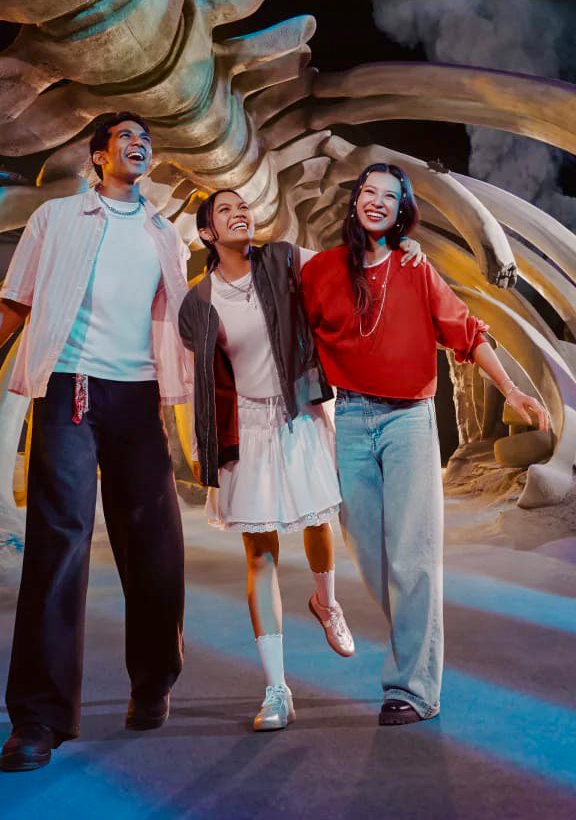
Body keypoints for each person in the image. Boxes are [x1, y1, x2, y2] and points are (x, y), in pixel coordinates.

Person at [0, 112, 192, 772]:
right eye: (126, 138)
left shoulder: (166, 236)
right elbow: (14, 305)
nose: (140, 145)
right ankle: (37, 720)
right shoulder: (56, 220)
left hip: (139, 397)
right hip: (69, 390)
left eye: (146, 140)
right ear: (99, 155)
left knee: (155, 547)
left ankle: (154, 678)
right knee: (58, 543)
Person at [301, 163, 550, 726]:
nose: (376, 202)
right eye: (369, 192)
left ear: (400, 211)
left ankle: (412, 688)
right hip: (352, 419)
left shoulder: (416, 269)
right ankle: (419, 642)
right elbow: (286, 321)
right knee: (370, 554)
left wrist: (513, 388)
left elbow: (466, 331)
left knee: (413, 557)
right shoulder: (319, 271)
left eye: (389, 197)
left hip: (409, 422)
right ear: (355, 201)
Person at [177, 189, 428, 731]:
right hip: (246, 428)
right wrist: (206, 445)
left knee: (319, 522)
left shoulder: (287, 259)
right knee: (260, 553)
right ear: (206, 234)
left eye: (242, 205)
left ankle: (325, 602)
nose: (239, 212)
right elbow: (197, 371)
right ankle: (275, 690)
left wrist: (403, 246)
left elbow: (346, 264)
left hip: (299, 414)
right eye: (224, 211)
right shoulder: (198, 302)